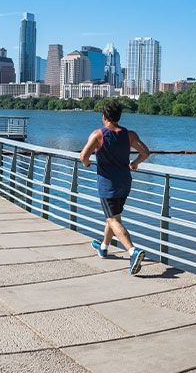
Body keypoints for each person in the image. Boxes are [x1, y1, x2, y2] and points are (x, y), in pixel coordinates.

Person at [79, 101, 151, 275]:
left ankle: (133, 251)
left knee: (113, 219)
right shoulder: (129, 134)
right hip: (125, 183)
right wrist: (134, 163)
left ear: (104, 117)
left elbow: (83, 156)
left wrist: (88, 164)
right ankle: (103, 248)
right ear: (118, 116)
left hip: (107, 185)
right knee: (113, 216)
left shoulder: (98, 135)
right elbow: (146, 152)